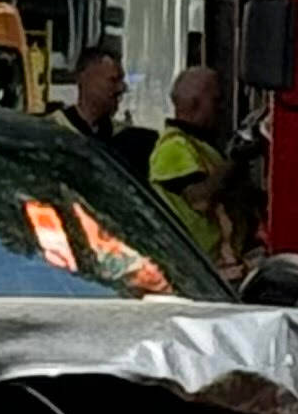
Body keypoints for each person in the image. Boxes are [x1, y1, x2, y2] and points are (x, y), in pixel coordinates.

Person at [148, 66, 253, 271]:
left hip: (219, 265)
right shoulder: (172, 147)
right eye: (215, 100)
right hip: (197, 267)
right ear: (195, 103)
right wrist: (236, 159)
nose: (221, 108)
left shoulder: (199, 146)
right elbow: (201, 199)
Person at [59, 46, 154, 182]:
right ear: (84, 78)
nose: (121, 88)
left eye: (121, 81)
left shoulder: (132, 142)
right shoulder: (53, 131)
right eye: (113, 80)